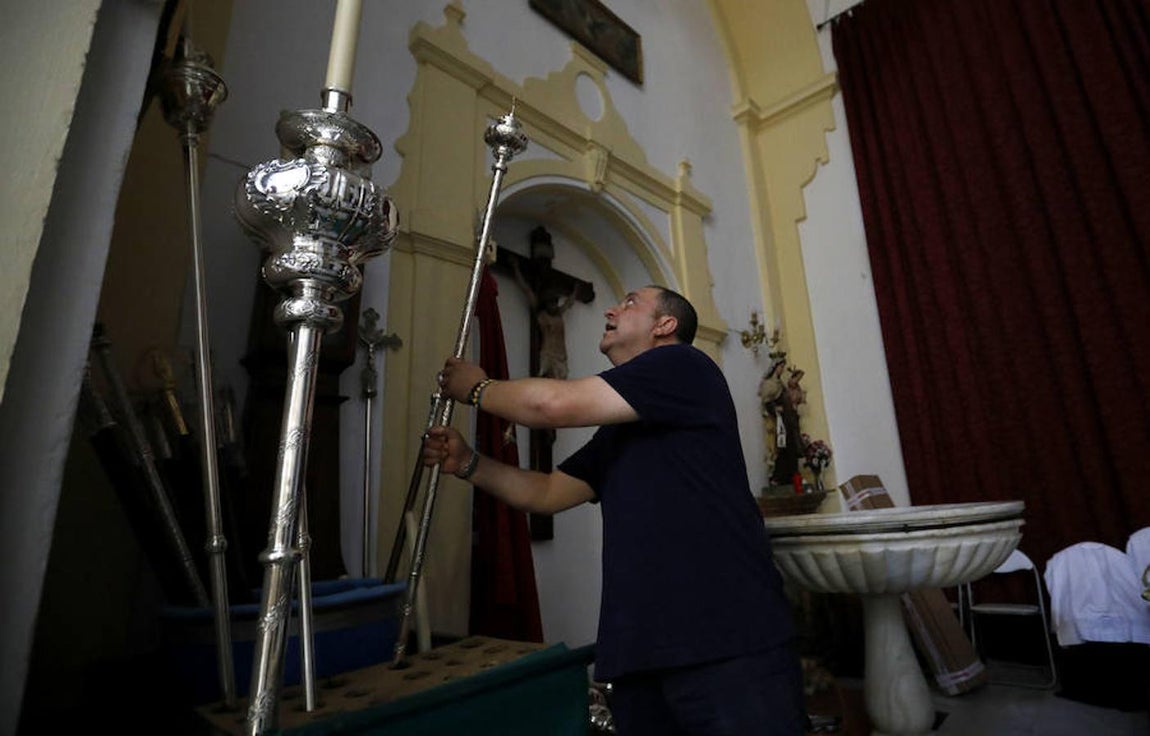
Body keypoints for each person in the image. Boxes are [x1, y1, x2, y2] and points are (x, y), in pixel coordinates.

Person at [425, 285, 806, 736]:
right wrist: (467, 463)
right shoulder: (620, 431)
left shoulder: (685, 365)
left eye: (629, 302)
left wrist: (478, 388)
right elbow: (547, 493)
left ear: (665, 325)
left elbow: (550, 405)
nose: (611, 309)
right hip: (642, 655)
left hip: (726, 644)